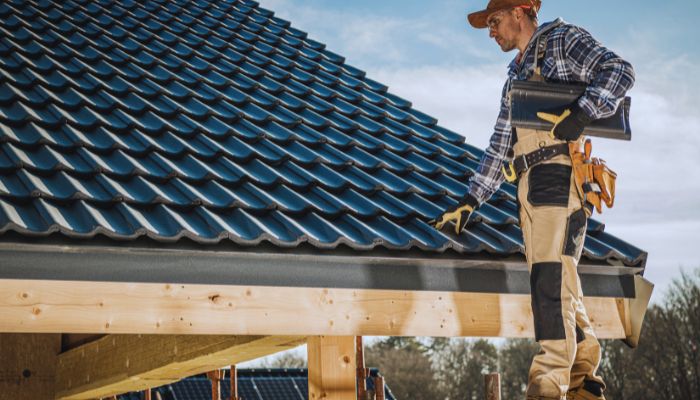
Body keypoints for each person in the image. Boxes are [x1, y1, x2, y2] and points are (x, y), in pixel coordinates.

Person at [431, 1, 635, 399]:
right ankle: (582, 380)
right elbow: (500, 143)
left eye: (494, 20)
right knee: (562, 281)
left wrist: (581, 113)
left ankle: (546, 386)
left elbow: (620, 72)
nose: (491, 31)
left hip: (557, 177)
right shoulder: (515, 75)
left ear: (520, 11)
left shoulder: (559, 41)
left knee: (548, 280)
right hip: (529, 183)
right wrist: (472, 199)